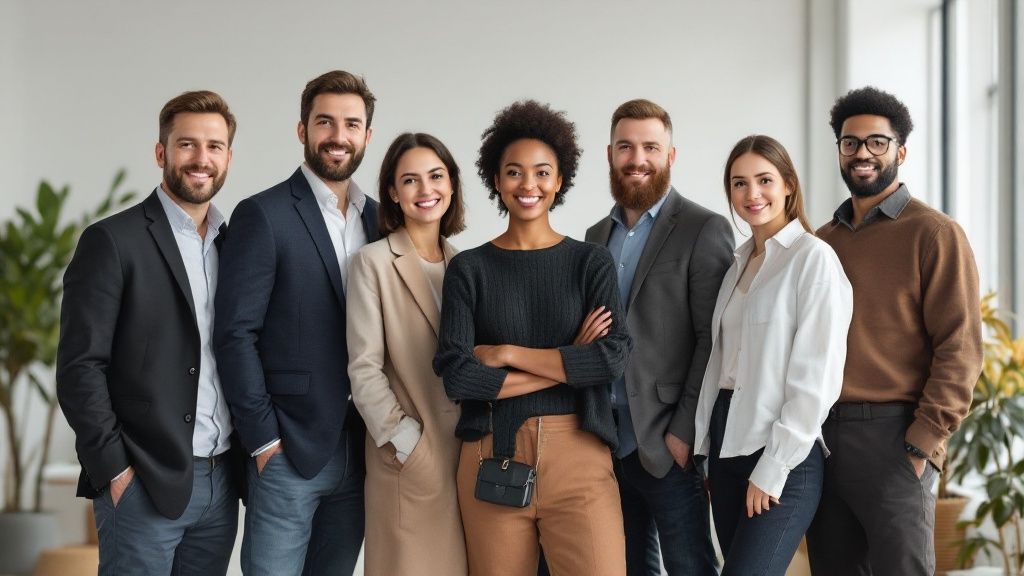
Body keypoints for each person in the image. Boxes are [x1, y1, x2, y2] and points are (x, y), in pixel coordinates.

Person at [434, 100, 632, 576]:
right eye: (514, 173)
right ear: (496, 181)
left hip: (580, 453)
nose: (529, 185)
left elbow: (610, 357)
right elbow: (459, 377)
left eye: (542, 172)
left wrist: (505, 355)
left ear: (560, 179)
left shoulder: (591, 262)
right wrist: (569, 363)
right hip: (492, 452)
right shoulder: (469, 269)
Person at [57, 90, 240, 575]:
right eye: (187, 145)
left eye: (215, 147)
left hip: (221, 480)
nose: (202, 159)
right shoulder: (111, 241)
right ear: (162, 152)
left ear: (228, 157)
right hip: (141, 479)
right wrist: (116, 471)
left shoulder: (235, 244)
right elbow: (79, 369)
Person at [806, 86, 983, 576]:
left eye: (877, 142)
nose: (862, 152)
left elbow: (961, 346)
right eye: (850, 142)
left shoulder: (935, 233)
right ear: (840, 151)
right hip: (821, 437)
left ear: (900, 151)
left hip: (894, 437)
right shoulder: (822, 242)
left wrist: (922, 440)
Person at [213, 70, 379, 575]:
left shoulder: (380, 219)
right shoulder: (262, 214)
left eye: (352, 124)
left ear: (367, 136)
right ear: (302, 130)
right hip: (289, 446)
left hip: (364, 447)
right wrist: (264, 439)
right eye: (325, 121)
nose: (338, 135)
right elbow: (235, 333)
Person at [692, 135, 852, 575]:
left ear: (788, 186)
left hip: (783, 448)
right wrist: (706, 445)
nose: (752, 194)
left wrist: (774, 465)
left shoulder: (812, 259)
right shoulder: (738, 264)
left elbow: (817, 377)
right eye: (739, 183)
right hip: (726, 441)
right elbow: (719, 363)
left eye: (764, 180)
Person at [584, 99, 731, 575]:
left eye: (651, 146)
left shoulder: (703, 228)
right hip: (607, 442)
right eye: (626, 146)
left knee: (691, 566)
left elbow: (714, 340)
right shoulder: (593, 236)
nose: (637, 158)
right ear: (609, 154)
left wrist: (683, 432)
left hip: (669, 442)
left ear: (671, 155)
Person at [346, 132, 468, 575]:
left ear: (452, 184)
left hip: (468, 458)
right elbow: (364, 368)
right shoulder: (372, 262)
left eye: (436, 176)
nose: (426, 190)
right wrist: (406, 442)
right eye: (410, 180)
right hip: (411, 459)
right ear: (393, 193)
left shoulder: (466, 265)